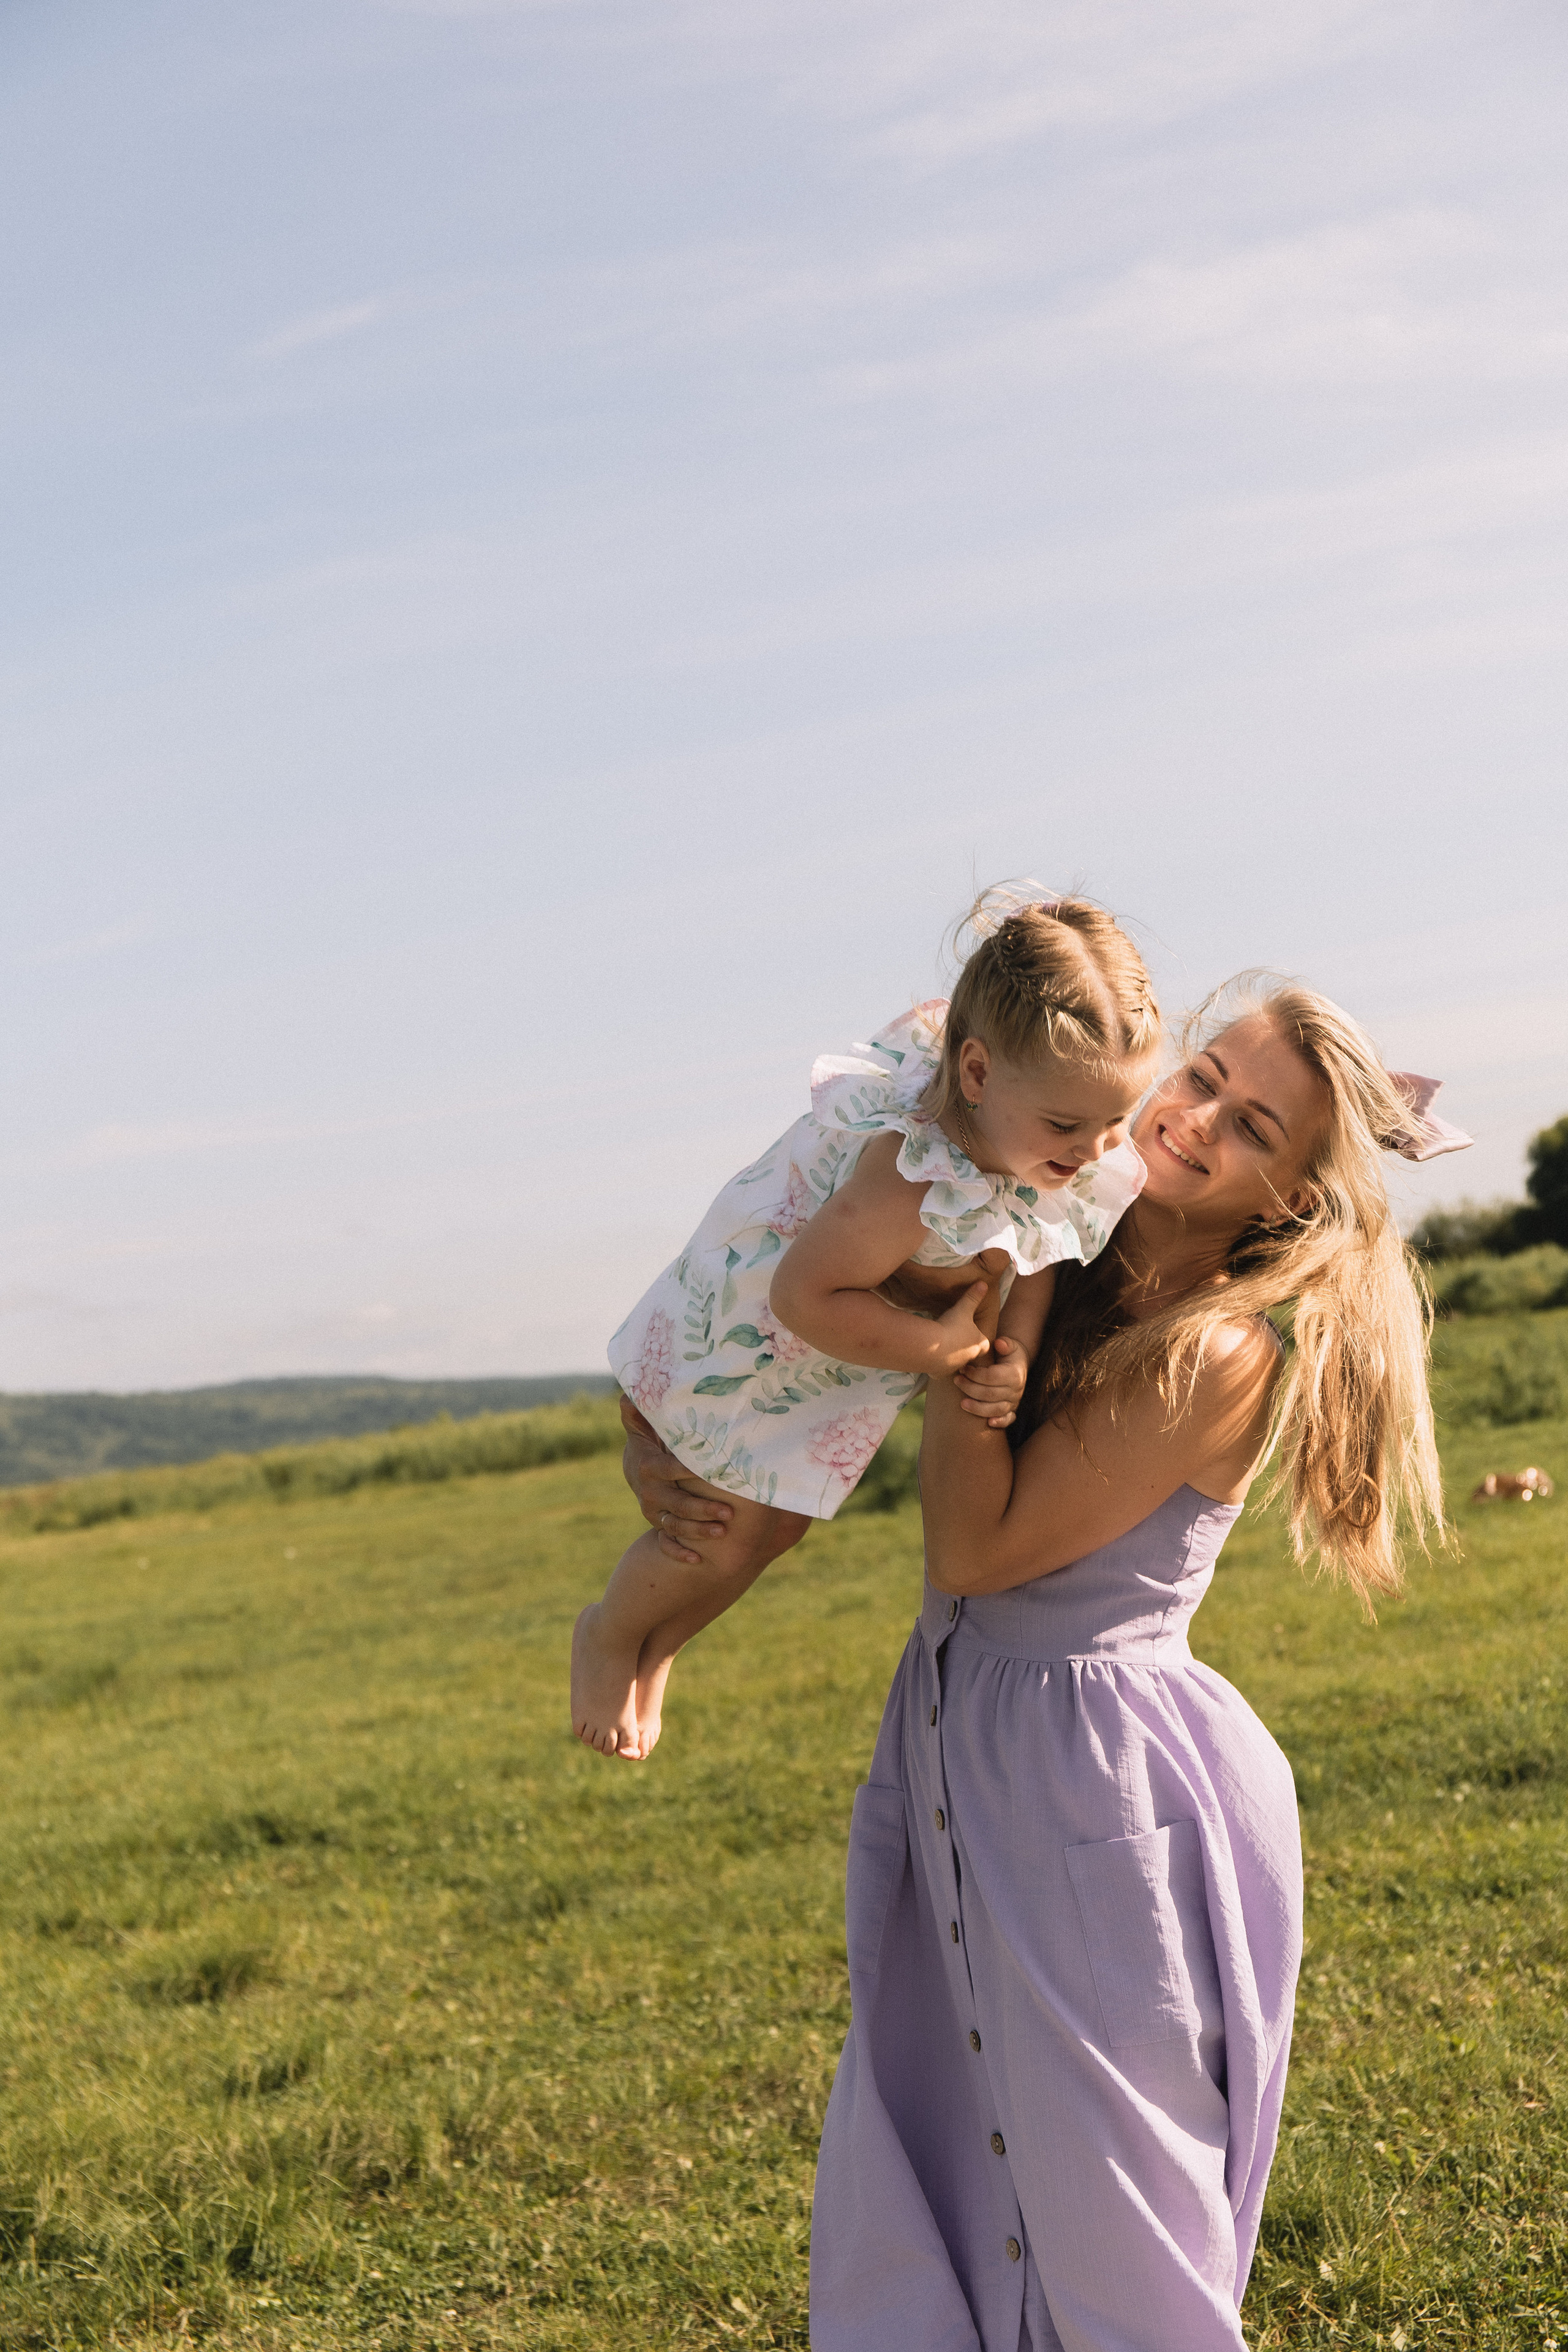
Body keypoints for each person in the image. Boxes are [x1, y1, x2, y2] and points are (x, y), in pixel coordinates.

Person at [627, 977, 1470, 2351]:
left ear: (1281, 1205)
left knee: (1107, 2204)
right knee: (941, 2143)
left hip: (1096, 1779)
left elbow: (970, 1545)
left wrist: (987, 1318)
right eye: (1200, 1075)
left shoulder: (1210, 1351)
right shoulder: (1055, 1235)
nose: (1191, 1120)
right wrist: (657, 1451)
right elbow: (789, 1305)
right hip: (963, 1742)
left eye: (1250, 1127)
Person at [573, 891, 1163, 1762]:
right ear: (974, 1074)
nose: (1097, 1149)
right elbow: (804, 1295)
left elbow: (1034, 1262)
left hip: (821, 1376)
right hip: (745, 1355)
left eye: (1117, 1119)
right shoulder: (912, 1174)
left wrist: (1016, 1356)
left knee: (776, 1531)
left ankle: (659, 1647)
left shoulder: (1039, 1142)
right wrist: (943, 1348)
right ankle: (611, 1635)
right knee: (716, 1531)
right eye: (1069, 1124)